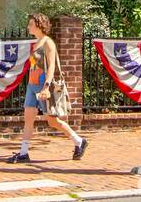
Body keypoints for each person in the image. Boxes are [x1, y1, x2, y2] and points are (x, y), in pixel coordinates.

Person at [8, 13, 87, 163]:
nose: (28, 26)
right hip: (32, 85)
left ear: (39, 25)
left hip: (43, 86)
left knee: (52, 121)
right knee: (28, 119)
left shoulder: (48, 42)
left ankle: (79, 141)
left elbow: (51, 67)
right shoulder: (37, 42)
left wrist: (46, 87)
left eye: (31, 24)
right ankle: (23, 153)